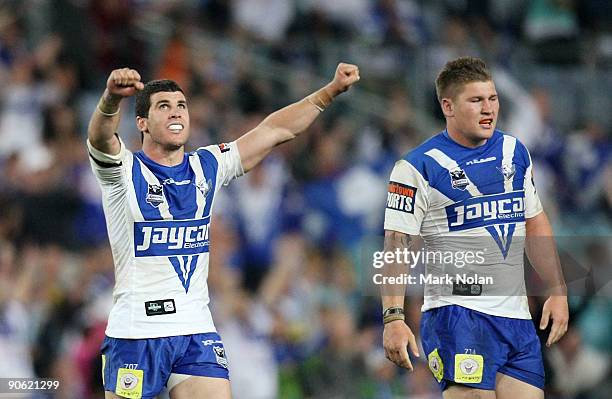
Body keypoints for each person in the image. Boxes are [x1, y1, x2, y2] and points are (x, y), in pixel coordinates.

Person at [87, 63, 359, 399]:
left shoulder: (207, 165)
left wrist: (329, 91)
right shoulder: (124, 173)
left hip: (195, 328)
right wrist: (111, 100)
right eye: (164, 106)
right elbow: (100, 137)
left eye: (181, 106)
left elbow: (273, 130)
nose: (176, 113)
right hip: (136, 331)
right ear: (142, 122)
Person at [381, 56, 568, 399]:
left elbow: (535, 220)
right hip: (457, 315)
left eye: (493, 98)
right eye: (476, 100)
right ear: (448, 106)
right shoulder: (416, 168)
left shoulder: (514, 152)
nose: (489, 109)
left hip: (516, 319)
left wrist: (557, 289)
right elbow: (397, 244)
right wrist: (393, 316)